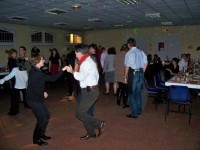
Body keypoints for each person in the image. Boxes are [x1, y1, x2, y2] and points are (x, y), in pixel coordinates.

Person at [26, 54, 68, 146]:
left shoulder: (35, 70)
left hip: (36, 98)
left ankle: (41, 134)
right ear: (37, 62)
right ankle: (36, 139)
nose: (43, 60)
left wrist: (42, 92)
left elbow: (35, 84)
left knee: (46, 116)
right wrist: (63, 70)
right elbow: (53, 78)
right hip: (33, 99)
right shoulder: (36, 72)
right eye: (42, 59)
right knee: (42, 118)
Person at [66, 44, 105, 140]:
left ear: (80, 53)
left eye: (75, 52)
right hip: (88, 90)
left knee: (79, 113)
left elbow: (80, 77)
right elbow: (95, 76)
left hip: (90, 92)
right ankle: (91, 133)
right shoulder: (86, 61)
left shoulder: (86, 63)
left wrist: (71, 71)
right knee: (84, 113)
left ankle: (99, 123)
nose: (74, 53)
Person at [124, 38, 147, 119]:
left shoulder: (129, 53)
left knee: (131, 94)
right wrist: (142, 72)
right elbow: (145, 63)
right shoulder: (141, 52)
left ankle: (134, 113)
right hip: (140, 73)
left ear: (128, 44)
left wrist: (125, 76)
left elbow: (127, 66)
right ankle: (139, 110)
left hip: (133, 74)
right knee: (138, 93)